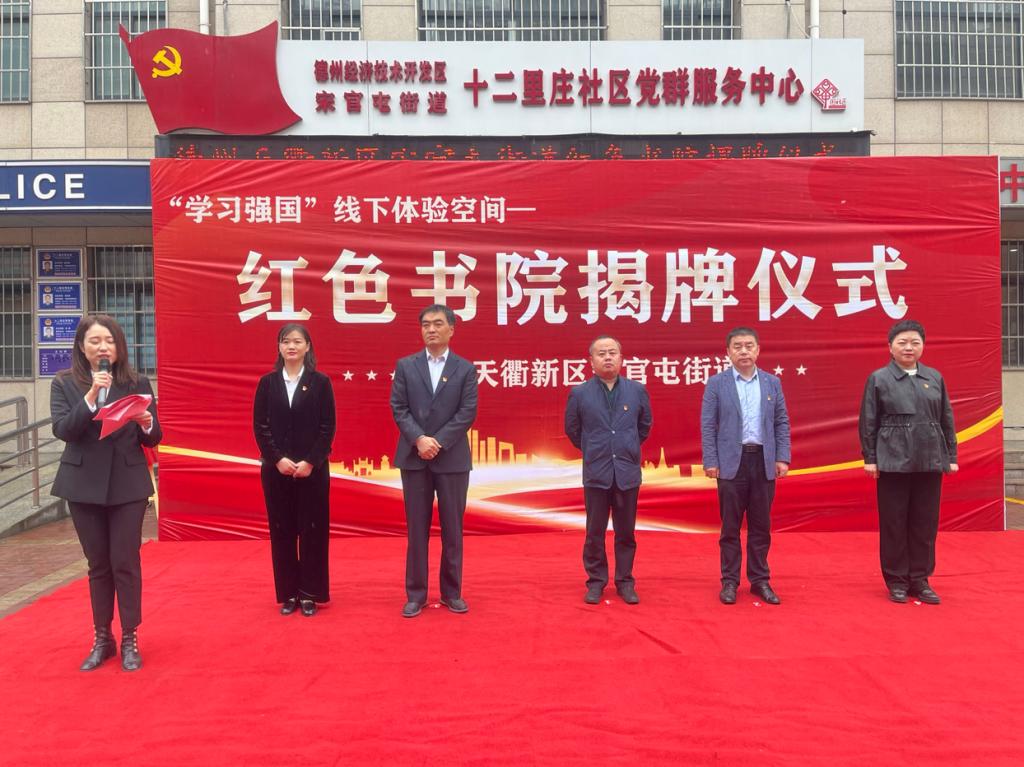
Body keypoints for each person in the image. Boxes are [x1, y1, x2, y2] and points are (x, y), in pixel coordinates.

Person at [50, 314, 161, 671]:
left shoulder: (136, 382)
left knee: (125, 561)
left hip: (127, 483)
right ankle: (103, 638)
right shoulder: (65, 383)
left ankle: (129, 636)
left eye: (109, 341)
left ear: (119, 346)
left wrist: (147, 423)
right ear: (82, 346)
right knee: (98, 564)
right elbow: (63, 430)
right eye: (95, 341)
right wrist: (91, 396)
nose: (103, 347)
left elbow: (153, 437)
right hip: (83, 485)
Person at [859, 319, 957, 605]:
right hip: (893, 460)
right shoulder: (879, 379)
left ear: (923, 346)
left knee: (925, 522)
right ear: (890, 347)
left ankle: (920, 579)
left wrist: (951, 456)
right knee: (894, 522)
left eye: (915, 342)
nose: (909, 347)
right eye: (902, 342)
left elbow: (946, 418)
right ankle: (896, 580)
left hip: (929, 458)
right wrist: (870, 458)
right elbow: (868, 421)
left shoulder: (934, 377)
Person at [390, 304, 478, 618]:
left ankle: (452, 593)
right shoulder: (406, 365)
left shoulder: (465, 369)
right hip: (414, 458)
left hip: (452, 459)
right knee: (417, 530)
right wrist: (419, 439)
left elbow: (467, 412)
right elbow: (398, 407)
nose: (431, 329)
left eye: (438, 324)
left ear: (451, 329)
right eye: (426, 324)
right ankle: (416, 595)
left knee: (453, 529)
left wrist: (437, 441)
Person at [701, 327, 791, 606]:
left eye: (749, 346)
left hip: (763, 461)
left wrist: (782, 457)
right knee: (730, 527)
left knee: (761, 525)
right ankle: (729, 581)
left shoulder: (772, 383)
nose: (743, 351)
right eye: (737, 346)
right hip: (731, 462)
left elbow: (781, 422)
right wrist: (711, 461)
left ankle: (760, 580)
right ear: (728, 352)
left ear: (758, 350)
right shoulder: (717, 384)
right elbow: (708, 425)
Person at [253, 324, 336, 617]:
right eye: (286, 341)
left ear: (307, 347)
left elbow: (328, 427)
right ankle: (288, 593)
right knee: (282, 531)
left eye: (297, 341)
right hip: (277, 471)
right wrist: (277, 459)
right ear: (279, 347)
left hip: (313, 470)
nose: (291, 346)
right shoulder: (267, 383)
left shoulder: (320, 382)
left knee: (313, 531)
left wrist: (310, 461)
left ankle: (311, 593)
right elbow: (260, 427)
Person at [564, 335, 652, 605]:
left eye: (612, 353)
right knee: (595, 533)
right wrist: (594, 448)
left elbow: (644, 426)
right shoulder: (580, 393)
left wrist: (626, 447)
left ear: (621, 358)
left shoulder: (636, 391)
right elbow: (573, 430)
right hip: (596, 472)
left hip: (626, 472)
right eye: (601, 353)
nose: (608, 358)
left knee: (626, 533)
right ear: (591, 361)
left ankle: (625, 582)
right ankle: (596, 582)